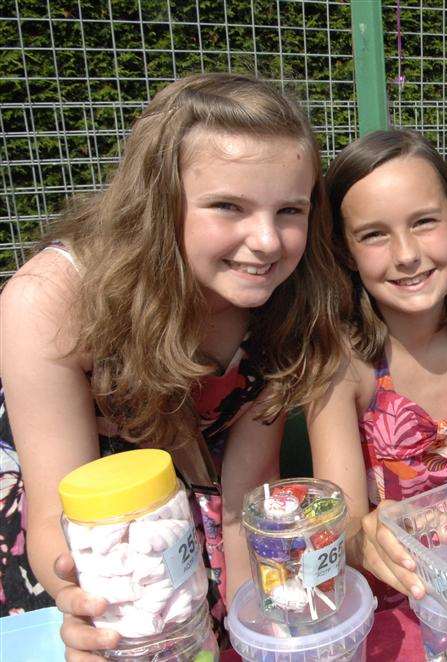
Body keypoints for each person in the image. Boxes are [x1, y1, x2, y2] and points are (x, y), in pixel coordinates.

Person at [0, 73, 348, 657]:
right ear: (161, 201)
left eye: (290, 209)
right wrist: (91, 610)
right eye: (227, 206)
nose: (266, 240)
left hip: (196, 483)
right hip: (75, 507)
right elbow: (61, 511)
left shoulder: (291, 303)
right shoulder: (51, 301)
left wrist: (251, 630)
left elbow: (245, 495)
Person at [312, 130, 447, 609]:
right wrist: (367, 534)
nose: (407, 254)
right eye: (374, 234)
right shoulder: (338, 360)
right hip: (388, 596)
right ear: (343, 249)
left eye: (424, 222)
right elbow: (343, 527)